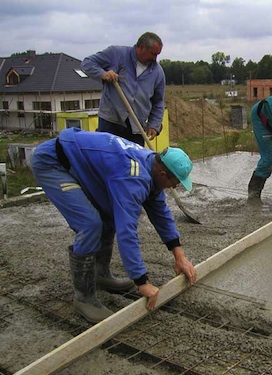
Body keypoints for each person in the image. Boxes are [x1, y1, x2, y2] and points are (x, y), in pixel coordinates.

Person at [30, 128, 197, 323]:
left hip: (78, 160)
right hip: (54, 163)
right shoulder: (133, 177)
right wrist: (141, 281)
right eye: (176, 182)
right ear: (162, 173)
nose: (175, 187)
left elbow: (162, 215)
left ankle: (100, 274)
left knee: (108, 216)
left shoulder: (151, 167)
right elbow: (127, 231)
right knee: (90, 224)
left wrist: (180, 256)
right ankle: (84, 298)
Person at [81, 32, 165, 146]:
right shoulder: (116, 54)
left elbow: (158, 102)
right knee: (107, 159)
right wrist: (103, 74)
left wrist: (154, 125)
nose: (155, 58)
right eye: (153, 54)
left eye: (157, 55)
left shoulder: (158, 72)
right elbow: (87, 63)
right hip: (111, 122)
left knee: (135, 162)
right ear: (141, 47)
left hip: (137, 128)